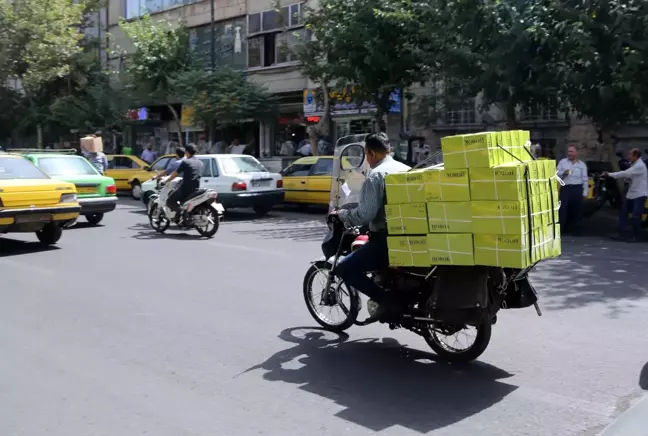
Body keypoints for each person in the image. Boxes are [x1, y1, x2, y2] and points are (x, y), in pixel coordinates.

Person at [333, 133, 411, 321]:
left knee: (345, 268)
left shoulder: (376, 176)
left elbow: (366, 214)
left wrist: (344, 216)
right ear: (389, 150)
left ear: (370, 153)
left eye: (366, 155)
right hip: (412, 236)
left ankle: (386, 301)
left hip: (386, 239)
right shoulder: (407, 169)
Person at [603, 148, 648, 242]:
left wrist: (610, 174)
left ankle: (636, 236)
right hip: (631, 194)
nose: (628, 157)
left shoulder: (639, 165)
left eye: (630, 155)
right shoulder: (634, 164)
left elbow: (625, 173)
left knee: (636, 215)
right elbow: (629, 176)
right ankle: (621, 233)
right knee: (623, 213)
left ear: (635, 156)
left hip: (639, 194)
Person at [164, 144, 204, 221]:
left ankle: (182, 212)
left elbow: (175, 174)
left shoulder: (185, 161)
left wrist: (166, 181)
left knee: (169, 201)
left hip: (186, 188)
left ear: (187, 152)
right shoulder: (200, 162)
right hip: (197, 187)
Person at [557, 145, 588, 235]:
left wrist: (585, 192)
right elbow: (557, 174)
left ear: (576, 153)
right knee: (563, 209)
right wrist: (563, 173)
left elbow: (585, 179)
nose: (569, 153)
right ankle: (561, 230)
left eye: (571, 152)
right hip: (566, 188)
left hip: (577, 188)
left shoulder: (581, 165)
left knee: (577, 210)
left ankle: (577, 231)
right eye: (569, 151)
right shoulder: (563, 162)